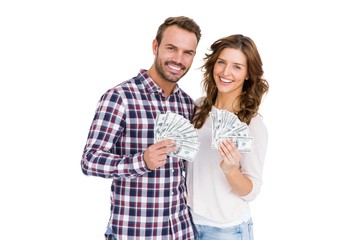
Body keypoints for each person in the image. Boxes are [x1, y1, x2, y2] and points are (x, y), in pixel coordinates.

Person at [81, 16, 201, 240]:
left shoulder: (186, 103)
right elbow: (90, 161)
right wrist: (141, 162)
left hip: (181, 231)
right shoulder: (119, 97)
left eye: (188, 52)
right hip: (135, 232)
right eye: (171, 48)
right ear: (155, 47)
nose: (178, 58)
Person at [186, 34, 269, 240]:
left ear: (249, 74)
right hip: (186, 223)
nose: (225, 72)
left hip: (226, 231)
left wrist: (231, 169)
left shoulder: (253, 125)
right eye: (221, 62)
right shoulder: (198, 108)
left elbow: (251, 191)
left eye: (237, 66)